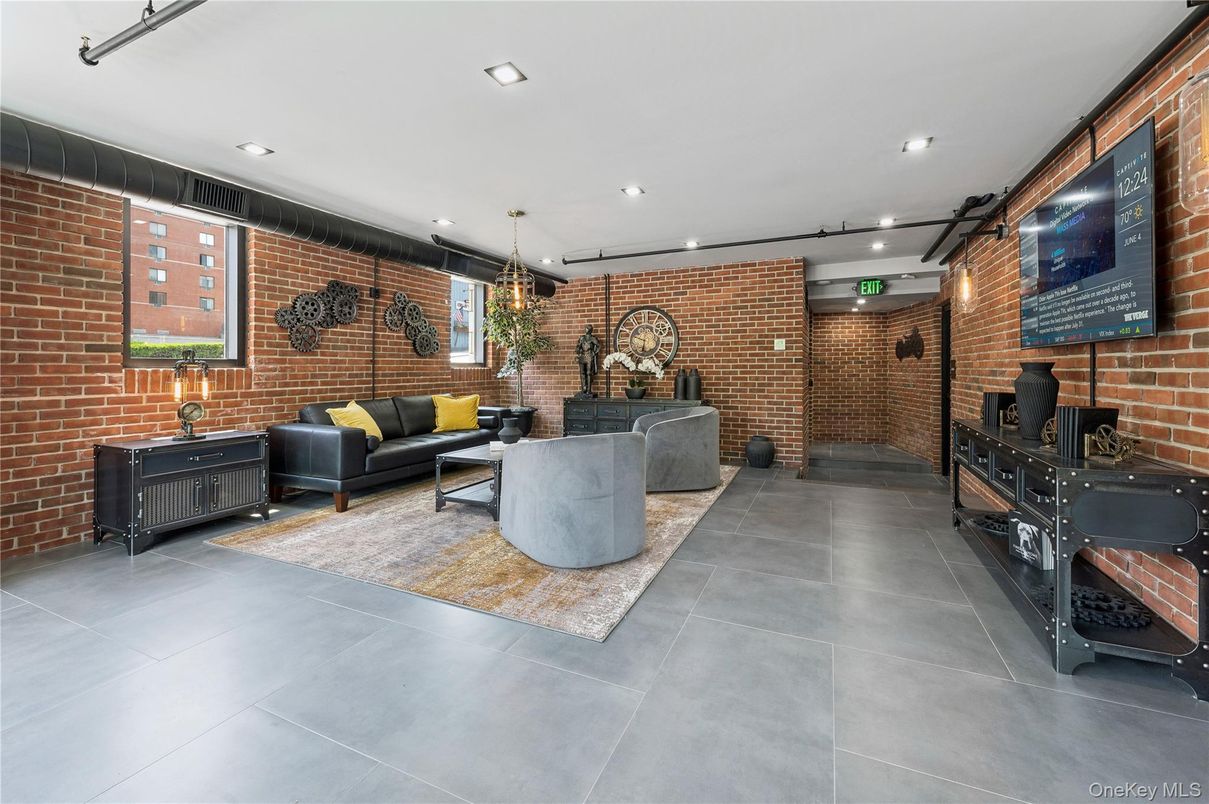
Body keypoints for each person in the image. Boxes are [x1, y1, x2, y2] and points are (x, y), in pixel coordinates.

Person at [575, 325, 600, 398]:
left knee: (589, 373)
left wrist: (594, 353)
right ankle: (584, 389)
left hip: (589, 356)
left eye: (588, 328)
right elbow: (578, 347)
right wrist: (578, 351)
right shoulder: (582, 338)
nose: (586, 329)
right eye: (586, 328)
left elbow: (598, 346)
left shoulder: (593, 338)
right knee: (582, 373)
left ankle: (589, 390)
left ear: (591, 330)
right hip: (582, 356)